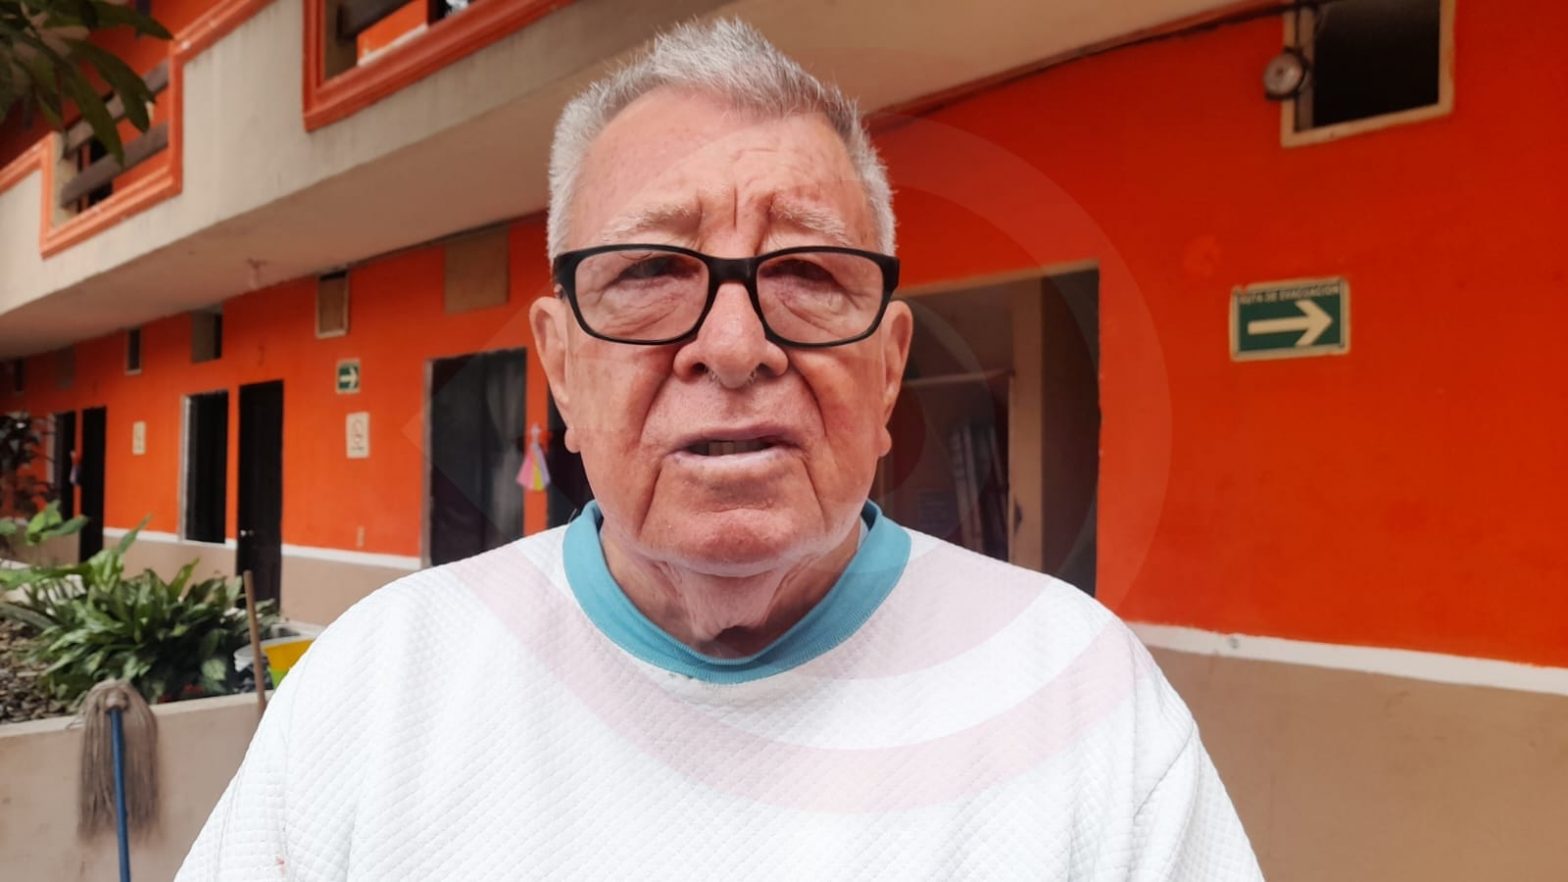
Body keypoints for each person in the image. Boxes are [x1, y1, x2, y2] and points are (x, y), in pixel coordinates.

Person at [177, 19, 1262, 880]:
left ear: (888, 368)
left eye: (806, 272)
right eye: (650, 272)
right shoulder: (377, 687)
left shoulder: (1083, 698)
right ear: (561, 366)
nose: (735, 347)